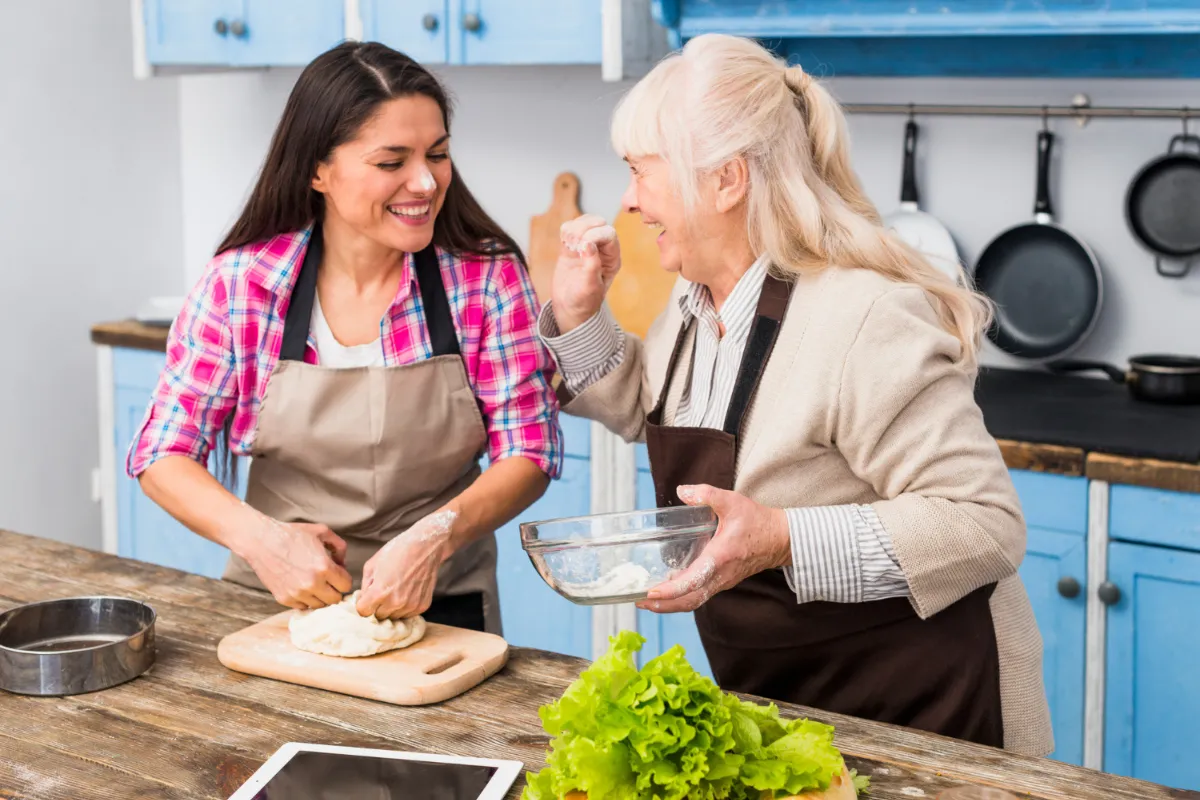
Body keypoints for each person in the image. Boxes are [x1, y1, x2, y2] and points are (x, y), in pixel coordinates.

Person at [539, 33, 1052, 756]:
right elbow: (646, 410)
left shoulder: (863, 316)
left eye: (641, 172)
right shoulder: (692, 306)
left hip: (926, 703)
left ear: (725, 180)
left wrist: (780, 538)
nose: (628, 201)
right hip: (784, 699)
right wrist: (578, 316)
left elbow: (985, 525)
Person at [127, 41, 562, 635]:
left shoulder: (486, 279)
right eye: (391, 162)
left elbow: (529, 451)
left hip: (443, 604)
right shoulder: (243, 283)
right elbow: (162, 453)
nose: (425, 182)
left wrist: (437, 537)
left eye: (437, 155)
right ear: (317, 170)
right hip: (275, 601)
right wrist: (263, 540)